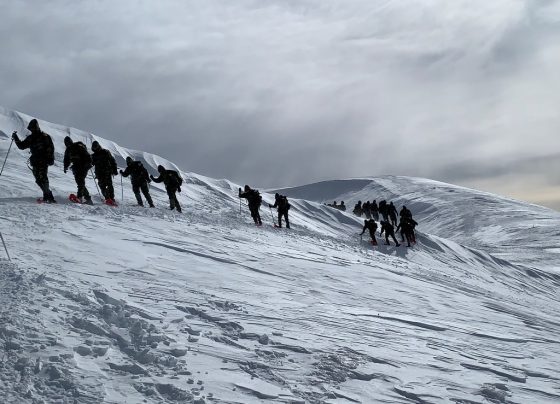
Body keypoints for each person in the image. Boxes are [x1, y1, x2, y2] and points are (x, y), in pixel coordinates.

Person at [11, 119, 56, 203]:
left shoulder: (45, 136)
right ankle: (47, 195)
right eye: (31, 128)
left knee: (43, 178)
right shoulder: (31, 138)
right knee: (38, 180)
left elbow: (51, 148)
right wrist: (16, 138)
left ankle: (49, 197)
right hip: (35, 161)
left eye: (33, 128)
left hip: (44, 160)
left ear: (36, 127)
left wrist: (50, 158)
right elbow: (22, 146)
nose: (32, 130)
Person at [63, 136, 93, 205]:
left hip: (83, 166)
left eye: (68, 142)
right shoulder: (68, 150)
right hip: (76, 167)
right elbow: (66, 159)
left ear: (71, 141)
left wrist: (88, 163)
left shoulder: (78, 146)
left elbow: (86, 154)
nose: (68, 144)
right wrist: (65, 167)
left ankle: (79, 197)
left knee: (80, 182)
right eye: (66, 143)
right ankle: (88, 199)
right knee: (79, 182)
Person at [91, 141, 118, 205]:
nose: (95, 148)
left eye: (96, 147)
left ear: (98, 146)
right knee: (102, 186)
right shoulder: (93, 156)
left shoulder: (105, 152)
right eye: (94, 147)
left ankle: (111, 198)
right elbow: (91, 163)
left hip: (107, 171)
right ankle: (108, 198)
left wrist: (115, 170)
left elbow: (112, 160)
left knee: (109, 185)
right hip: (99, 173)